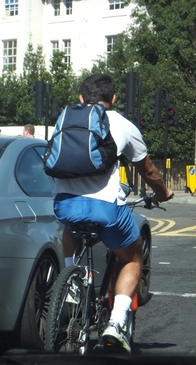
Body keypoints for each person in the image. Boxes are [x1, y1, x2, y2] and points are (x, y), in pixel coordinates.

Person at [52, 74, 173, 352]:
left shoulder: (65, 118)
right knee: (132, 256)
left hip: (63, 203)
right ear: (114, 99)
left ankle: (73, 279)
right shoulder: (122, 124)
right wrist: (162, 193)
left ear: (81, 98)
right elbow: (148, 170)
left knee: (69, 226)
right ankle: (117, 322)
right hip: (105, 208)